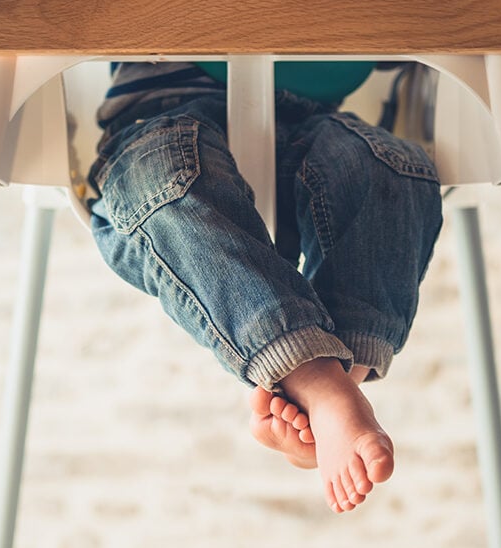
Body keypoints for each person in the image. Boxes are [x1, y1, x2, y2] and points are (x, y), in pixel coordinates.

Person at [85, 60, 442, 513]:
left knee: (390, 166)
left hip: (310, 126)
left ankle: (331, 386)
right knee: (168, 180)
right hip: (162, 118)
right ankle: (318, 383)